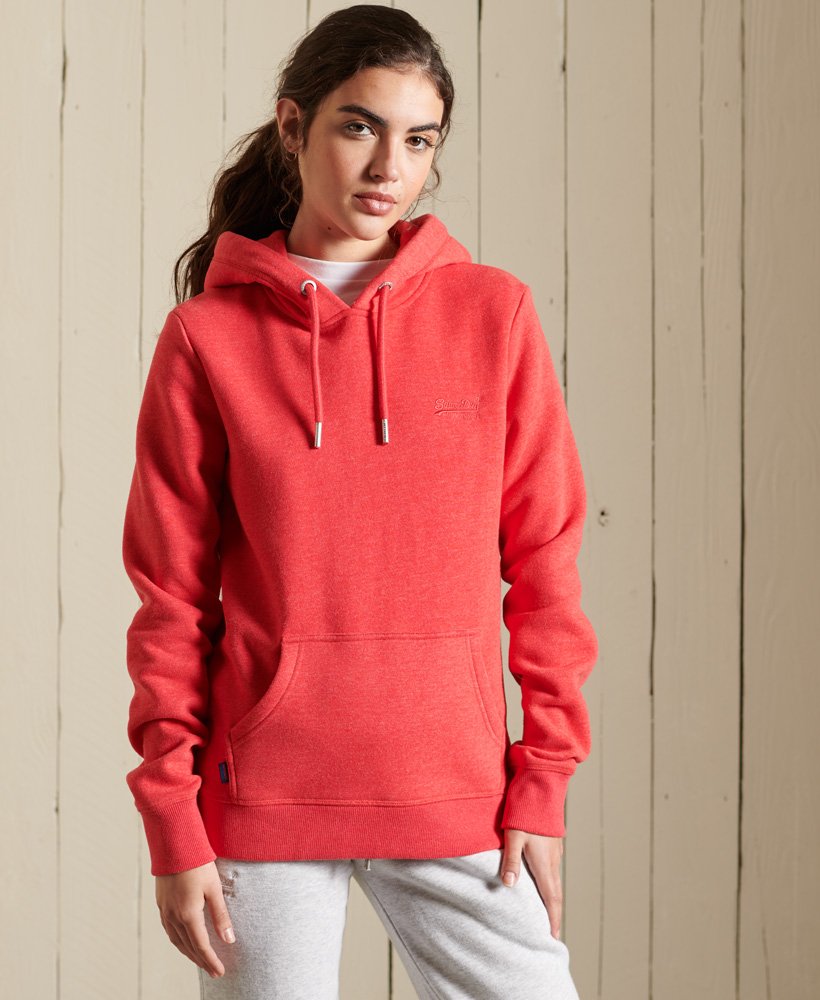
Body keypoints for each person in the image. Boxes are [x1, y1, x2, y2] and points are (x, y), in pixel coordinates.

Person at [122, 5, 598, 998]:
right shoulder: (207, 339)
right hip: (263, 805)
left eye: (419, 140)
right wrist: (172, 817)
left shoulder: (493, 314)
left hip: (460, 794)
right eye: (359, 127)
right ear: (293, 126)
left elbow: (546, 562)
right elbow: (171, 600)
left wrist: (543, 783)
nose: (389, 166)